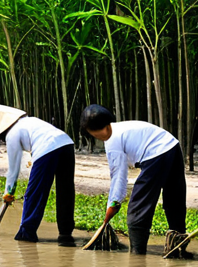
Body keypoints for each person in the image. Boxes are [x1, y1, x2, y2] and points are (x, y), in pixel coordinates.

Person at [79, 104, 188, 257]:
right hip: (172, 145)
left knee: (138, 207)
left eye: (99, 130)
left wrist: (113, 203)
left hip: (156, 152)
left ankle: (137, 255)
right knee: (174, 200)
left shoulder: (113, 141)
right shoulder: (118, 130)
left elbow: (118, 177)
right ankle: (178, 247)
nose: (99, 135)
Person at [0, 104, 76, 246]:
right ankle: (65, 234)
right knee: (65, 192)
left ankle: (27, 234)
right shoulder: (31, 121)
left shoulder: (12, 134)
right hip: (67, 144)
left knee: (34, 193)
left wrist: (8, 193)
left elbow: (13, 171)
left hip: (47, 149)